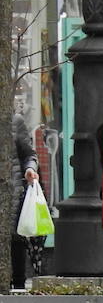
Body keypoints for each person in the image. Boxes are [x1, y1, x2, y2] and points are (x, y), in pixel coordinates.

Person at [8, 116, 39, 289]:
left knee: (15, 243)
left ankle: (18, 289)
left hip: (11, 194)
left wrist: (30, 169)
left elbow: (29, 155)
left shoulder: (14, 120)